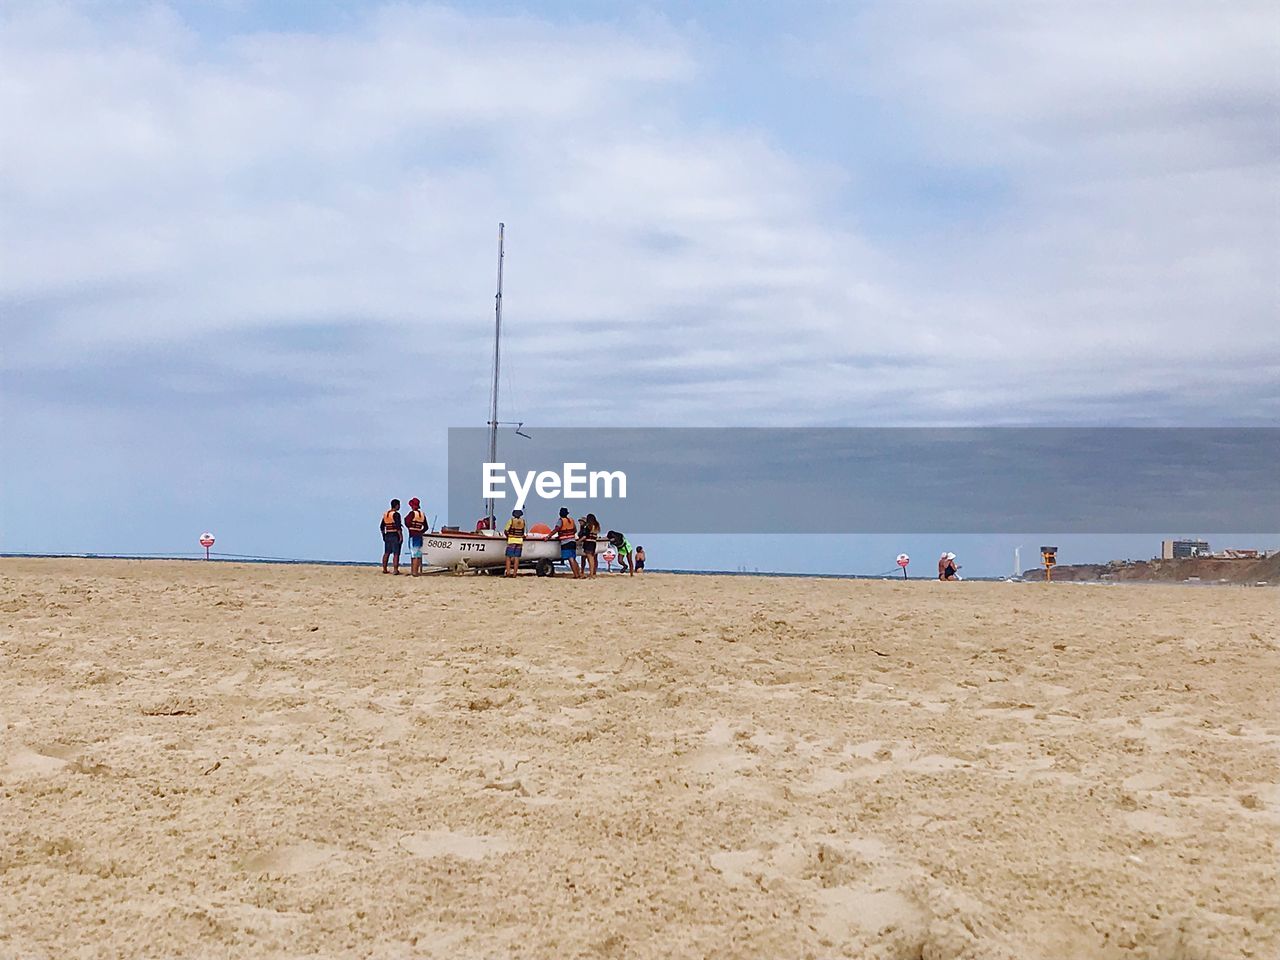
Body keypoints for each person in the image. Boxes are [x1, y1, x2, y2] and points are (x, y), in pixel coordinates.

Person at [553, 507, 582, 578]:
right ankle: (578, 574)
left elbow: (556, 529)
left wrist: (548, 536)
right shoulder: (571, 520)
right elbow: (575, 530)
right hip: (572, 540)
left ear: (560, 514)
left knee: (570, 559)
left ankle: (575, 575)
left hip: (565, 542)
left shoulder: (561, 521)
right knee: (573, 558)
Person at [405, 498, 428, 577]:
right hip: (419, 535)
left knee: (414, 554)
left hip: (413, 535)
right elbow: (426, 527)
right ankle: (416, 571)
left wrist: (410, 528)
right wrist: (421, 531)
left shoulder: (412, 514)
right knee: (418, 554)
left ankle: (414, 572)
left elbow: (407, 522)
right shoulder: (422, 515)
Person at [381, 499, 403, 575]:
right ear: (396, 505)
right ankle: (395, 570)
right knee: (396, 553)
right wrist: (400, 536)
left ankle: (384, 569)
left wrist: (383, 535)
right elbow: (398, 526)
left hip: (387, 534)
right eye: (399, 505)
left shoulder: (386, 514)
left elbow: (381, 527)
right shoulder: (396, 514)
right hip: (394, 535)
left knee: (386, 552)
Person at [503, 509, 526, 578]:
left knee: (508, 557)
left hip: (511, 540)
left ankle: (508, 572)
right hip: (520, 541)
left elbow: (506, 530)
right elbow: (522, 531)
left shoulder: (511, 521)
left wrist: (508, 536)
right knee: (517, 558)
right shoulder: (523, 521)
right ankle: (515, 573)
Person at [577, 513, 600, 578]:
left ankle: (591, 574)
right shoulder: (596, 526)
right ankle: (592, 573)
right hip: (593, 542)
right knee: (592, 558)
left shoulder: (588, 526)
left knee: (589, 558)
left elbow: (585, 536)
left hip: (588, 542)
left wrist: (578, 541)